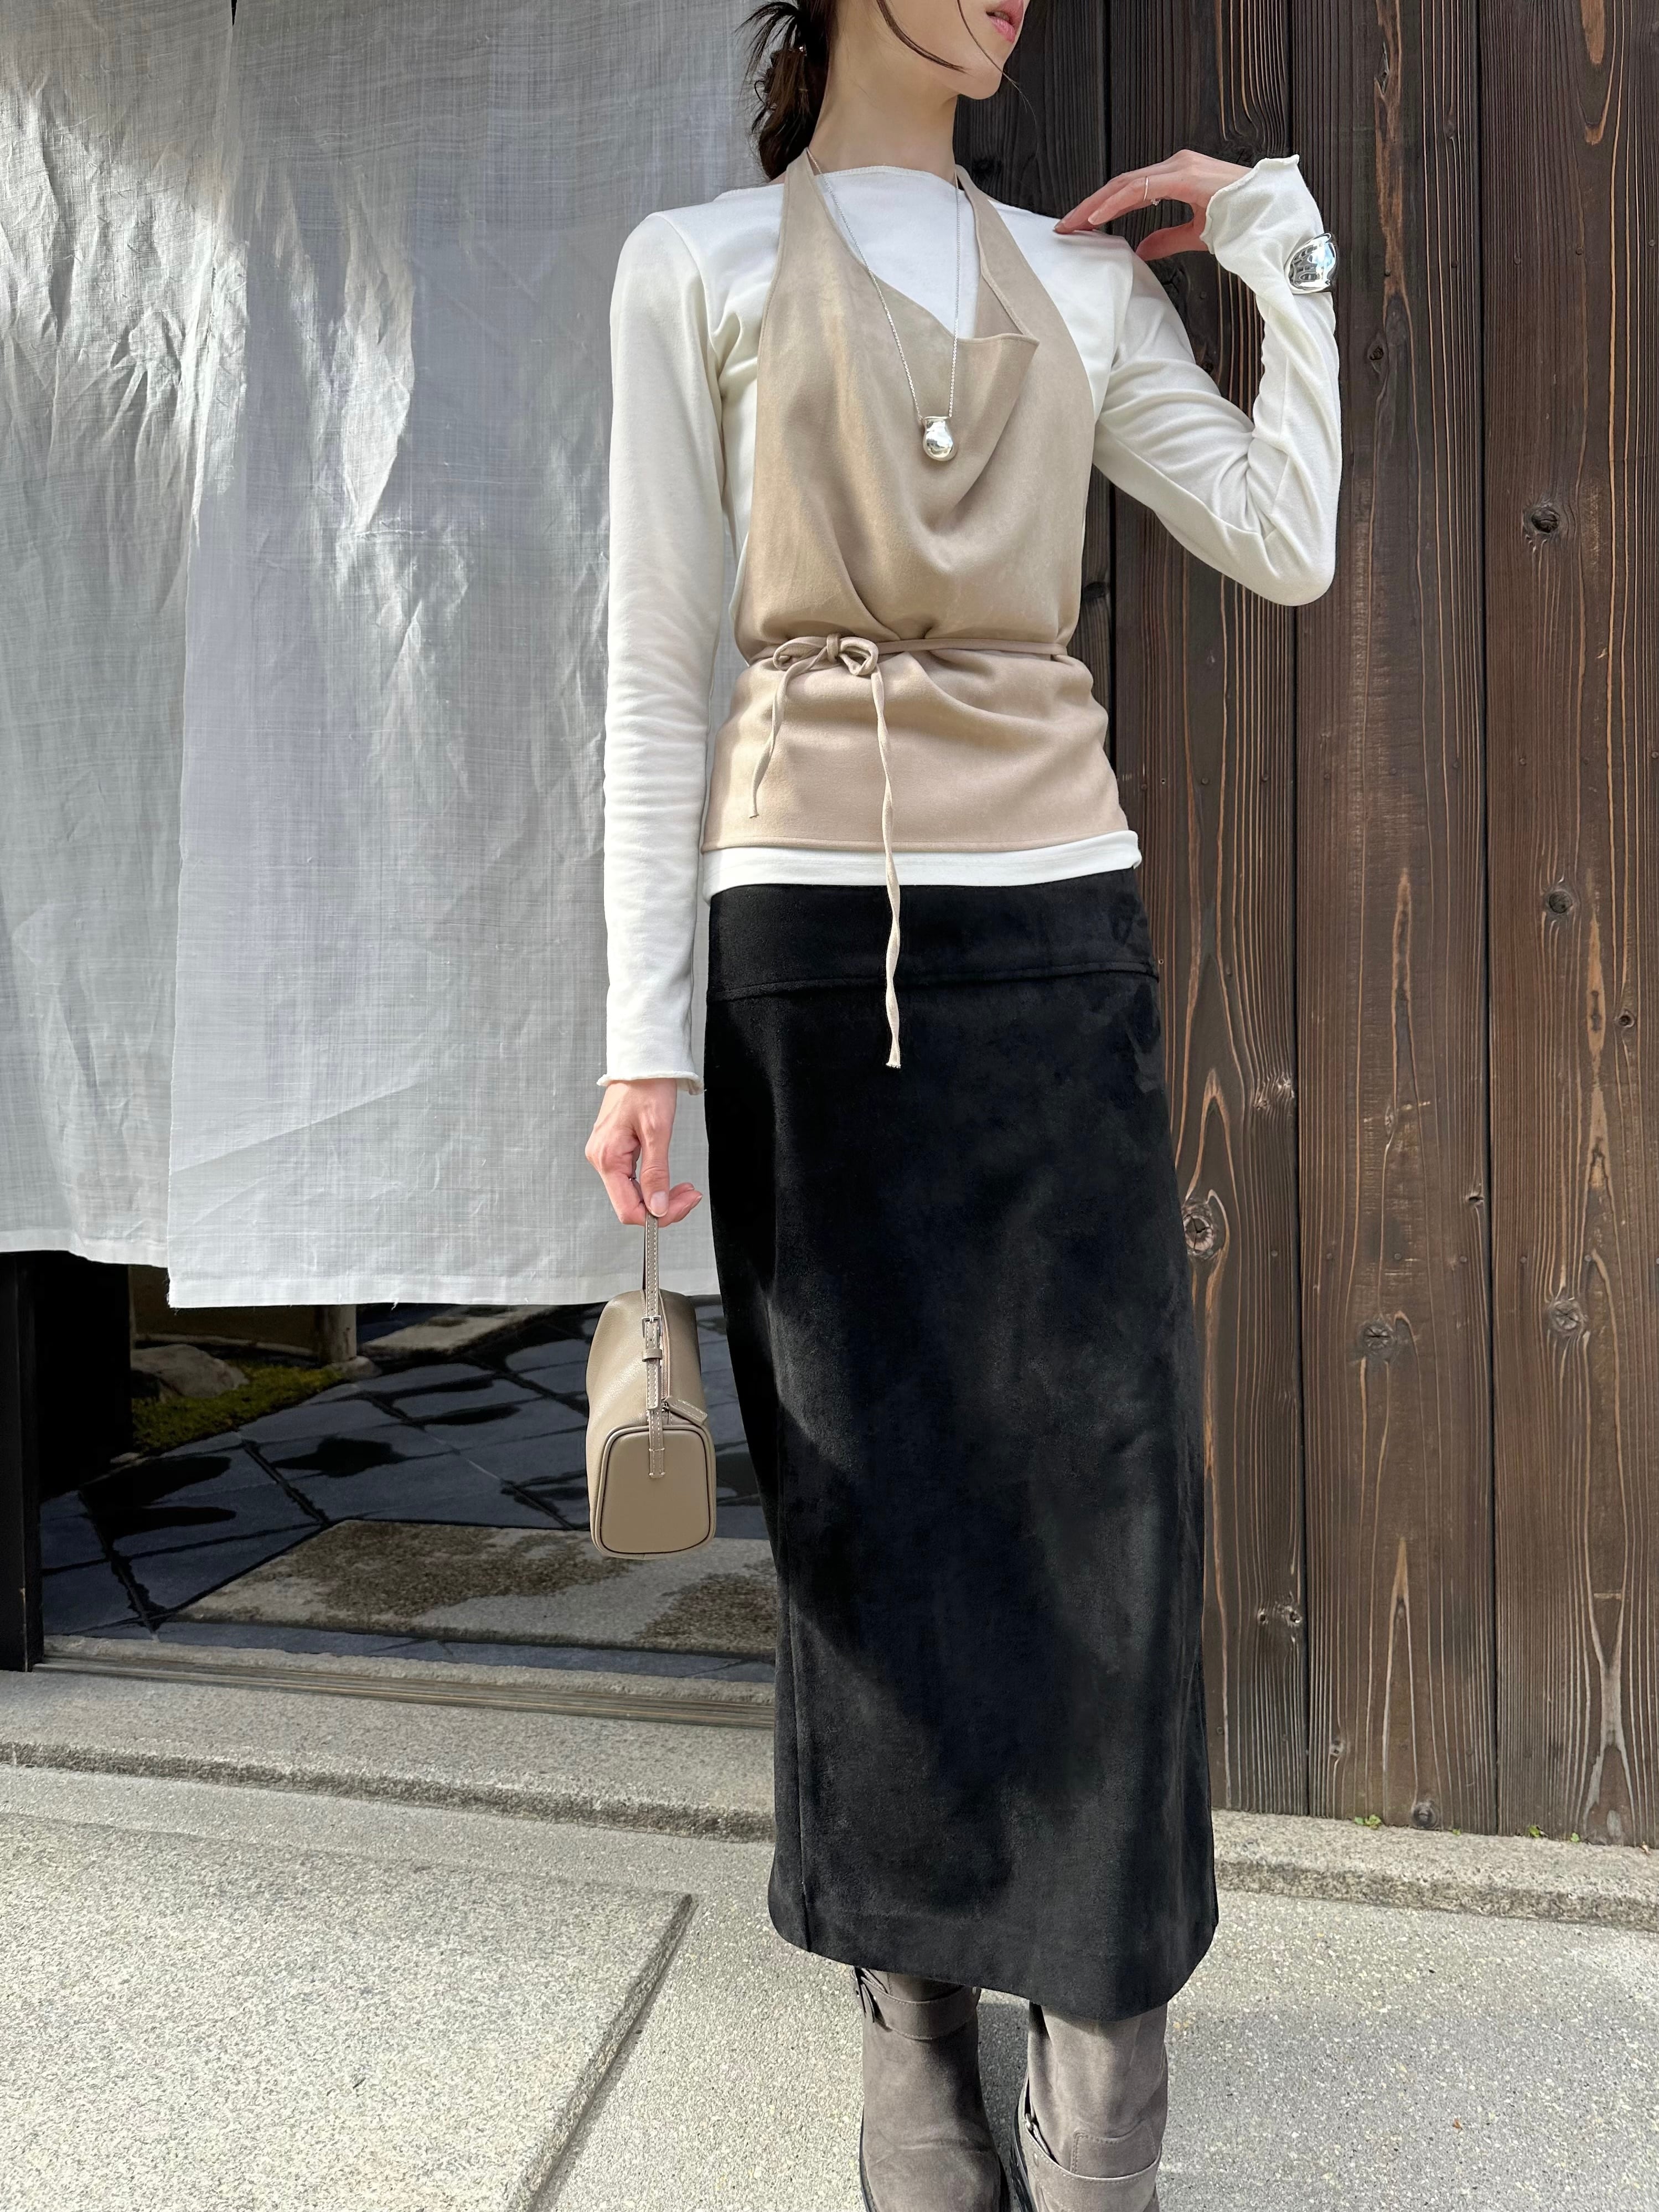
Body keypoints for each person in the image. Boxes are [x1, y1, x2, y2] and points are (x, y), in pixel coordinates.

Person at [585, 1, 1342, 2204]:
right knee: (870, 1499)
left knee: (1109, 1489)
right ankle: (913, 2020)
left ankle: (1103, 2039)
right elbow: (655, 660)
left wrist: (1274, 242)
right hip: (805, 948)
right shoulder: (696, 264)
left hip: (1058, 929)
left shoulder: (1086, 289)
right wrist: (643, 1036)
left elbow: (1283, 537)